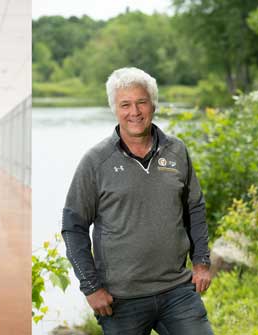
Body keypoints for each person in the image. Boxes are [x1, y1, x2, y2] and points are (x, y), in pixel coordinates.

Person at [62, 67, 213, 334]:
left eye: (142, 102)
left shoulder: (177, 151)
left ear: (153, 104)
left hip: (177, 290)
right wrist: (91, 287)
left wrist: (201, 262)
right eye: (125, 104)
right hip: (121, 300)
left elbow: (195, 209)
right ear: (115, 109)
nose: (135, 112)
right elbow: (73, 228)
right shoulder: (95, 162)